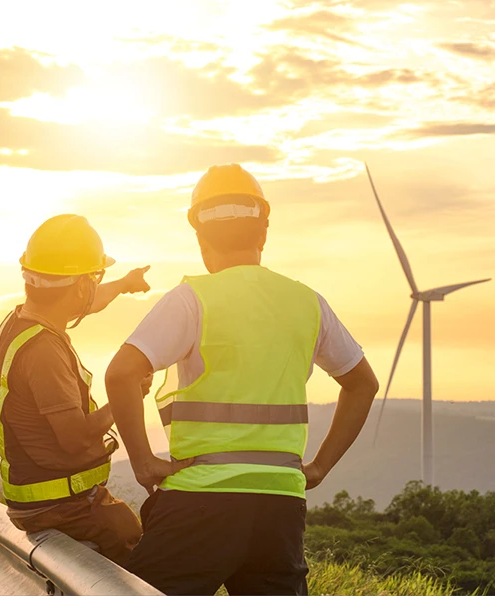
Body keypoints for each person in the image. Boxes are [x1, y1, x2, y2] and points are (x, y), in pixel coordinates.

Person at [105, 163, 380, 595]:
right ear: (263, 234)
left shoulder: (191, 299)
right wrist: (321, 466)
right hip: (280, 508)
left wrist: (142, 461)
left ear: (200, 238)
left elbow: (121, 373)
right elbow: (363, 383)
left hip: (200, 502)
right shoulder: (308, 302)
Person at [0, 213, 150, 566]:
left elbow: (86, 300)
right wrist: (127, 395)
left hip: (37, 503)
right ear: (78, 286)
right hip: (61, 508)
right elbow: (74, 439)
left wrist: (123, 284)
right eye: (93, 278)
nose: (94, 287)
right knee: (137, 546)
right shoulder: (44, 351)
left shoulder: (21, 321)